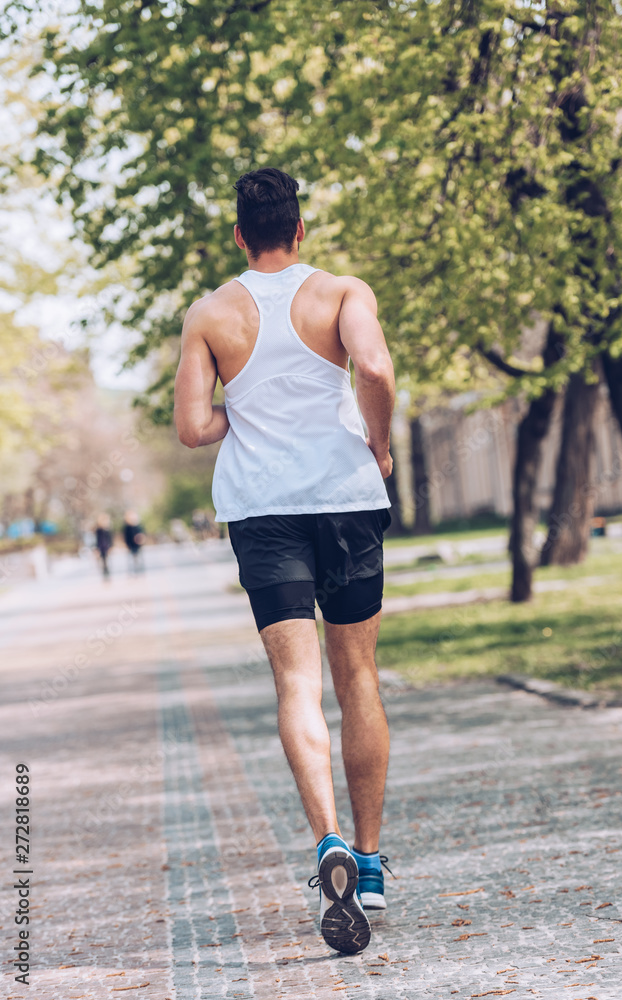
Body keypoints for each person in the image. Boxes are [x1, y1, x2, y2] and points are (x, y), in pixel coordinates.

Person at [174, 167, 395, 955]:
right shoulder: (341, 293)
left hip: (262, 513)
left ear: (239, 234)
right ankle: (367, 866)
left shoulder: (209, 313)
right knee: (357, 679)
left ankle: (326, 840)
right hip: (344, 500)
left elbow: (192, 429)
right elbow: (372, 369)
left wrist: (245, 409)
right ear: (299, 230)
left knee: (296, 684)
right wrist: (378, 441)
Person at [94, 513, 113, 579]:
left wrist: (111, 546)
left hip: (107, 548)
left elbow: (110, 539)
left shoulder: (108, 530)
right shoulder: (98, 530)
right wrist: (97, 549)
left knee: (108, 561)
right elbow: (97, 540)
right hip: (101, 548)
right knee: (102, 562)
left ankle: (108, 573)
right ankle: (105, 574)